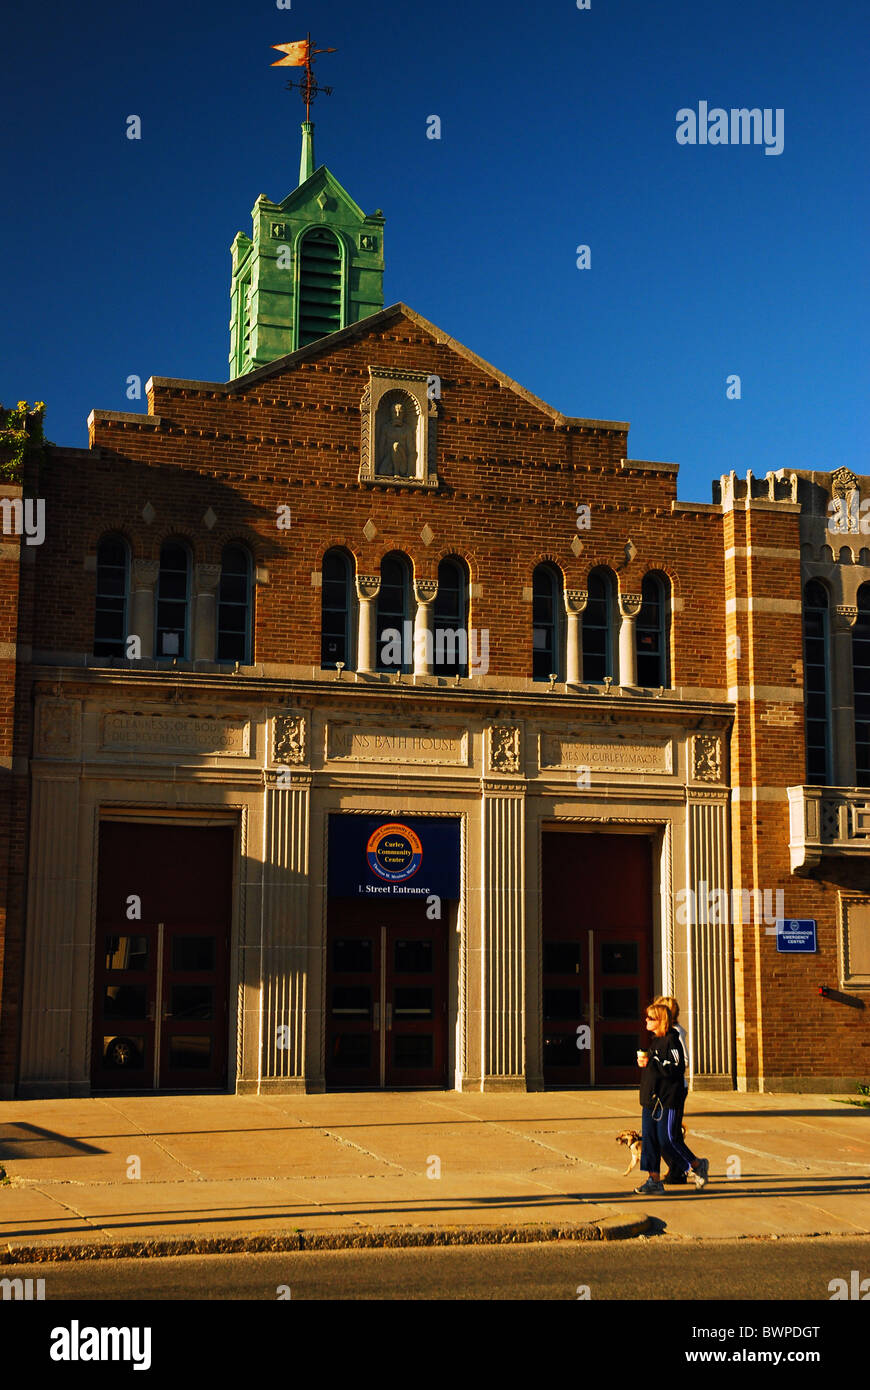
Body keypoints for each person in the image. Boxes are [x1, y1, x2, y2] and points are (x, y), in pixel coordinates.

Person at [634, 1002, 709, 1195]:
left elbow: (676, 1068)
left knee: (667, 1139)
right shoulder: (655, 1041)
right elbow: (655, 1067)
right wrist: (646, 1062)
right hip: (650, 1099)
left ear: (661, 1021)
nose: (646, 1021)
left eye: (650, 1018)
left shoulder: (672, 1041)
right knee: (650, 1140)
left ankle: (696, 1165)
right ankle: (653, 1180)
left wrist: (653, 1061)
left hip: (668, 1099)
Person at [654, 995, 689, 1185]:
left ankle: (689, 1166)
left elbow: (685, 1060)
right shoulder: (664, 1033)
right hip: (663, 1090)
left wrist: (658, 1063)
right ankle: (678, 1169)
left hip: (674, 1090)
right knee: (662, 1135)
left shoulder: (675, 1033)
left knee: (669, 1136)